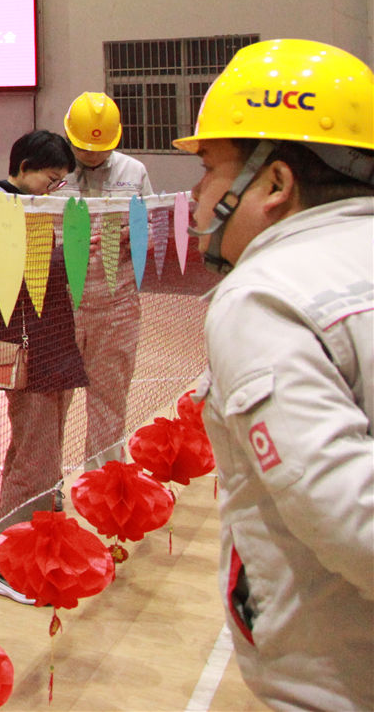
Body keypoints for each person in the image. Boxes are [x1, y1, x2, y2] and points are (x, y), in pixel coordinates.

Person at [176, 38, 374, 711]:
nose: (198, 194)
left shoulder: (263, 296)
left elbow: (350, 514)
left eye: (209, 168)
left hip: (338, 680)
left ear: (275, 183)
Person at [0, 130, 86, 604]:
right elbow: (6, 278)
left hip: (55, 349)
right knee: (32, 463)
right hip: (30, 354)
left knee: (43, 461)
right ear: (23, 167)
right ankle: (2, 564)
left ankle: (35, 552)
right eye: (50, 178)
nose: (54, 188)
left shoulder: (35, 208)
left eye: (61, 182)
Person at [62, 89, 154, 466]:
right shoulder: (54, 172)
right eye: (83, 148)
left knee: (109, 402)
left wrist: (136, 233)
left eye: (99, 149)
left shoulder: (134, 172)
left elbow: (152, 226)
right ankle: (47, 487)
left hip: (117, 305)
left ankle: (102, 484)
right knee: (51, 405)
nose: (91, 155)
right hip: (61, 306)